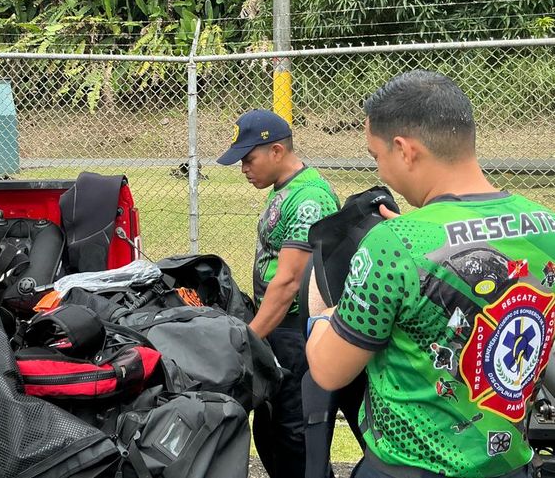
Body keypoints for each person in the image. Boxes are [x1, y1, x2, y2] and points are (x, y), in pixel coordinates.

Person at [306, 70, 555, 478]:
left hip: (409, 469)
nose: (380, 172)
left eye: (376, 156)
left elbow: (330, 370)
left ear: (405, 150)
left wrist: (320, 310)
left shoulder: (395, 245)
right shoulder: (547, 225)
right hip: (511, 465)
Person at [218, 109, 340, 478]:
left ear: (276, 151)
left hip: (296, 334)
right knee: (272, 435)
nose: (244, 169)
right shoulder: (285, 190)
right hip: (279, 332)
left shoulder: (308, 199)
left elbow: (287, 284)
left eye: (249, 158)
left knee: (295, 441)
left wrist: (249, 341)